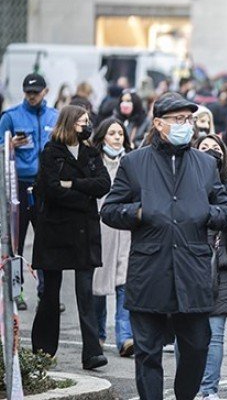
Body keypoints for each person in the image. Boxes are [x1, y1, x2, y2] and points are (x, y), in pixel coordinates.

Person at [100, 92, 227, 400]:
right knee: (147, 352)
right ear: (159, 123)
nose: (186, 125)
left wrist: (206, 212)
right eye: (178, 119)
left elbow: (226, 209)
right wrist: (139, 212)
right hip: (150, 271)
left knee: (197, 346)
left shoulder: (204, 164)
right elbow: (109, 210)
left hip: (193, 272)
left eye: (189, 119)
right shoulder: (134, 162)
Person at [31, 105, 110, 370]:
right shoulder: (52, 153)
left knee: (85, 294)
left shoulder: (90, 152)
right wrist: (83, 195)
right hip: (55, 230)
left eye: (88, 121)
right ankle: (43, 350)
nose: (86, 126)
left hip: (84, 232)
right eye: (82, 122)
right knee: (51, 293)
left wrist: (73, 184)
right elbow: (50, 189)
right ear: (69, 124)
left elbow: (103, 184)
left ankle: (91, 352)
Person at [186, 134, 227, 399]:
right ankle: (188, 387)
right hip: (189, 267)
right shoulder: (184, 182)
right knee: (187, 335)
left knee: (214, 335)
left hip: (223, 269)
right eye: (204, 148)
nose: (211, 152)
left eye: (216, 149)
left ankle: (208, 390)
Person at [0, 73, 59, 311]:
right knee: (17, 241)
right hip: (20, 185)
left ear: (45, 91)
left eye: (36, 92)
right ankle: (17, 291)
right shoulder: (11, 116)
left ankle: (47, 291)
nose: (32, 96)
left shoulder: (55, 116)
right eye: (28, 93)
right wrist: (8, 145)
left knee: (46, 239)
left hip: (46, 186)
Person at [91, 119, 134, 357]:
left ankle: (125, 337)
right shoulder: (94, 162)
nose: (117, 137)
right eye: (112, 133)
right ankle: (98, 334)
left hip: (126, 229)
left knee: (124, 284)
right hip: (100, 229)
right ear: (102, 137)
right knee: (98, 286)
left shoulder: (131, 162)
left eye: (120, 133)